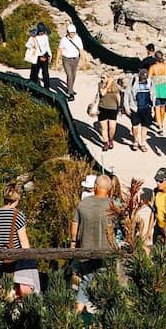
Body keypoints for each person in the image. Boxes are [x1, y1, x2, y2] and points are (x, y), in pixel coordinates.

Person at [70, 172, 114, 315]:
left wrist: (73, 242)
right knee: (106, 284)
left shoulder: (84, 203)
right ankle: (105, 316)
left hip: (85, 251)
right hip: (106, 253)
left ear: (95, 187)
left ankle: (76, 316)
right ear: (110, 188)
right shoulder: (113, 205)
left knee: (84, 283)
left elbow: (74, 223)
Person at [0, 182, 39, 297]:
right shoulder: (18, 215)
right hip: (12, 262)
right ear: (17, 198)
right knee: (13, 292)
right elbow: (24, 242)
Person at [125, 67, 154, 151]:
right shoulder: (133, 81)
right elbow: (127, 93)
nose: (143, 80)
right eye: (142, 78)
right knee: (135, 126)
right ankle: (135, 141)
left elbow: (153, 94)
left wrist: (153, 106)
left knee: (145, 126)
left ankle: (143, 143)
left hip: (146, 107)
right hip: (134, 107)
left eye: (145, 78)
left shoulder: (150, 82)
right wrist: (126, 106)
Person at [149, 51, 166, 134]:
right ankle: (162, 122)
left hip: (156, 88)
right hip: (165, 87)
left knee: (156, 107)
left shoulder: (153, 67)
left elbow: (149, 79)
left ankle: (160, 127)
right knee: (163, 107)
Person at [95, 73, 121, 150]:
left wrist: (119, 106)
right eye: (101, 77)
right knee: (104, 128)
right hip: (102, 107)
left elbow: (118, 95)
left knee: (112, 127)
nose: (102, 79)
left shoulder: (114, 85)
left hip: (113, 108)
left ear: (108, 78)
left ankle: (111, 139)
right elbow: (102, 93)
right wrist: (108, 85)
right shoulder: (100, 84)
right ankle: (105, 142)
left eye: (104, 78)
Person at [59, 24, 84, 96]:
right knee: (69, 75)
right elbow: (60, 50)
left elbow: (81, 50)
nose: (72, 34)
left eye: (73, 33)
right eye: (71, 33)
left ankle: (70, 88)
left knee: (73, 75)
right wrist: (57, 61)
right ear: (67, 32)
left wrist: (84, 62)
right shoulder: (63, 40)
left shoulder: (78, 39)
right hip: (66, 59)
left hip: (75, 60)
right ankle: (70, 93)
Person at [25, 24, 52, 89]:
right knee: (40, 72)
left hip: (40, 56)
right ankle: (45, 87)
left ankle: (36, 86)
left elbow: (27, 45)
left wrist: (50, 54)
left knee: (40, 72)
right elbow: (28, 45)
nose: (42, 33)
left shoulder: (35, 37)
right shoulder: (36, 37)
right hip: (39, 56)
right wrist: (50, 55)